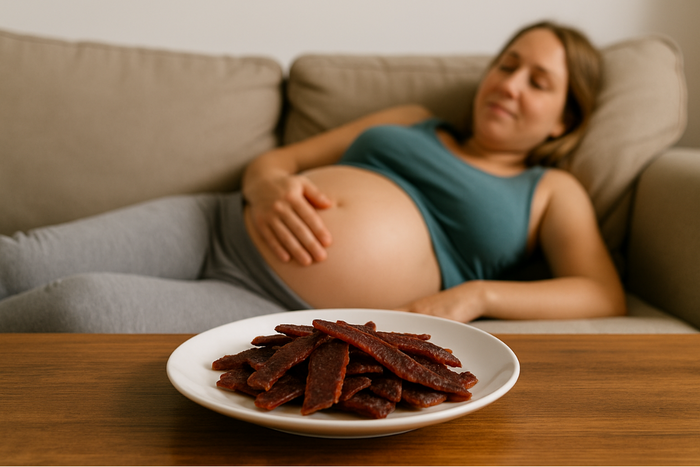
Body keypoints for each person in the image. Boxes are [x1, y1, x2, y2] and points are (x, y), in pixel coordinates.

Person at [0, 21, 626, 333]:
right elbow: (278, 162)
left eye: (538, 82)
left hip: (280, 307)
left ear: (563, 120)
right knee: (18, 262)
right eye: (507, 64)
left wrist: (478, 297)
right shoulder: (413, 121)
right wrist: (267, 185)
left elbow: (603, 295)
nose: (510, 84)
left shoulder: (547, 190)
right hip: (212, 223)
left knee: (78, 308)